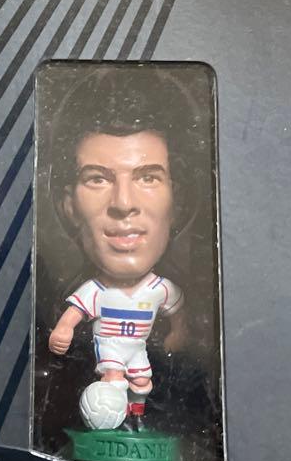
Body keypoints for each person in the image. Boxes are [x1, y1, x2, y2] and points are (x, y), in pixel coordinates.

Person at [47, 70, 191, 432]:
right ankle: (111, 416)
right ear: (68, 205)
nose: (123, 203)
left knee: (142, 382)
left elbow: (178, 314)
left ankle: (135, 419)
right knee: (112, 381)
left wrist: (181, 333)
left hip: (140, 354)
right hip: (109, 355)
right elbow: (73, 315)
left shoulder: (161, 289)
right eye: (97, 178)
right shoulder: (94, 291)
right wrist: (63, 331)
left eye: (148, 177)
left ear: (177, 202)